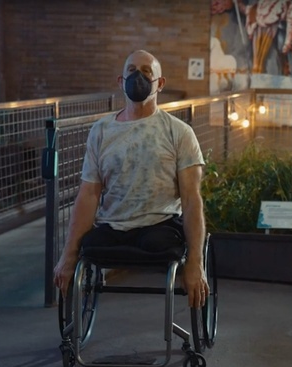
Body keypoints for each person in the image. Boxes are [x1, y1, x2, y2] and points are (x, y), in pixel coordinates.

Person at [53, 50, 210, 309]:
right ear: (120, 81)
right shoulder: (101, 131)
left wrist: (195, 262)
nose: (138, 76)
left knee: (158, 242)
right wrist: (67, 256)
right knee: (89, 246)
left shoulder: (179, 132)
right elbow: (88, 195)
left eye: (147, 71)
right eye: (132, 70)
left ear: (160, 83)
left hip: (159, 225)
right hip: (113, 226)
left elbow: (192, 199)